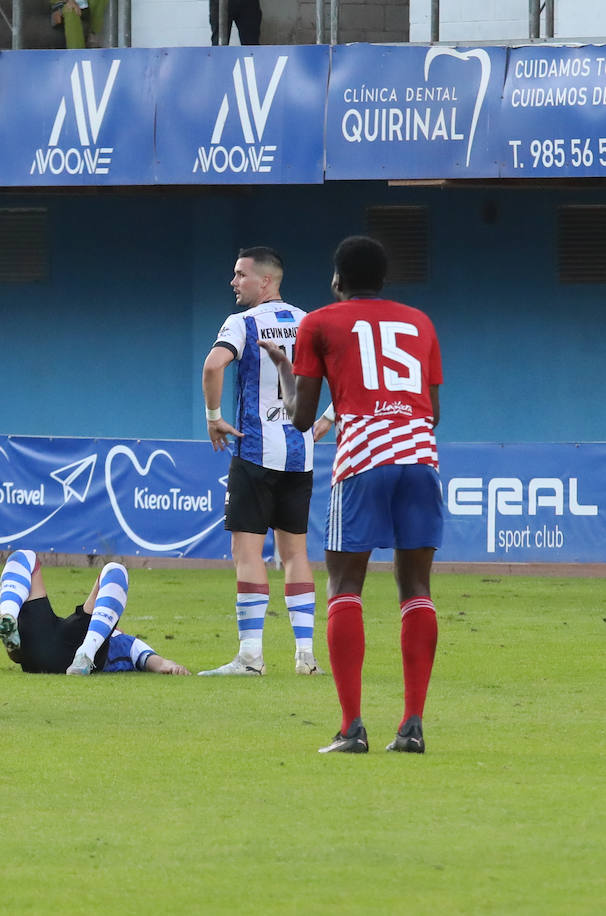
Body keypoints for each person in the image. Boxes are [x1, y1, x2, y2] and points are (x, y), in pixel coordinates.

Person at [262, 235, 443, 755]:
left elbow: (301, 419)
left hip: (363, 457)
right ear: (384, 280)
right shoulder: (421, 322)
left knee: (345, 585)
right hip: (419, 455)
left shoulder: (318, 322)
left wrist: (282, 367)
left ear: (337, 279)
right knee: (416, 589)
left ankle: (351, 728)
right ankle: (411, 726)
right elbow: (432, 411)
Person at [199, 247, 332, 678]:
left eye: (240, 275)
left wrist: (213, 417)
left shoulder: (242, 323)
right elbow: (338, 378)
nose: (234, 282)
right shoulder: (310, 322)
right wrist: (326, 419)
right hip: (301, 453)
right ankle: (305, 655)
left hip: (255, 452)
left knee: (247, 550)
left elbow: (213, 364)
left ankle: (251, 657)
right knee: (295, 551)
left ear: (266, 281)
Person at [0, 550, 190, 676]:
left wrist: (15, 650)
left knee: (24, 557)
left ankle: (8, 614)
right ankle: (86, 652)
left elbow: (17, 657)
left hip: (36, 657)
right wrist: (166, 664)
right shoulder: (123, 641)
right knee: (115, 570)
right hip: (73, 647)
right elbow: (145, 657)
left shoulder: (121, 640)